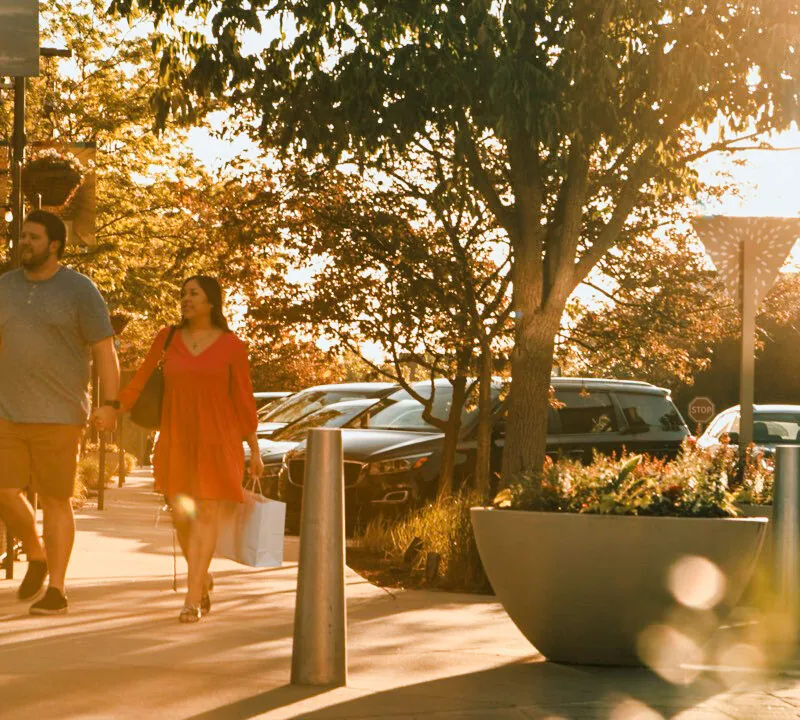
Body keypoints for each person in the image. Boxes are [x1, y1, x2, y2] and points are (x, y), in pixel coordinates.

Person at [118, 275, 263, 623]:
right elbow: (140, 379)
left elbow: (243, 398)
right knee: (182, 516)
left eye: (193, 294)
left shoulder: (232, 345)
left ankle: (192, 596)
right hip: (177, 437)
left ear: (211, 302)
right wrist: (114, 408)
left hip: (219, 439)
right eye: (183, 293)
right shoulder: (167, 338)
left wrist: (254, 448)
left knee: (207, 512)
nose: (186, 299)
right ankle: (202, 576)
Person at [0, 210, 120, 615]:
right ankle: (36, 554)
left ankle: (57, 589)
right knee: (4, 491)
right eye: (22, 236)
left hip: (60, 413)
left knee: (54, 500)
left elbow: (104, 350)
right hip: (7, 410)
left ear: (54, 245)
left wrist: (110, 403)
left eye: (33, 237)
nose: (24, 243)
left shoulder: (79, 290)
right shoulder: (5, 287)